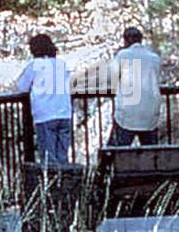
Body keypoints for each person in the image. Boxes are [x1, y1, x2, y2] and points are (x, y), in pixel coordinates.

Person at [75, 26, 163, 147]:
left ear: (125, 41)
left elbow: (111, 78)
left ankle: (106, 165)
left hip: (128, 112)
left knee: (115, 149)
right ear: (141, 40)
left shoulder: (123, 55)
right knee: (151, 151)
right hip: (150, 112)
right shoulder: (154, 58)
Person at [16, 33, 73, 163]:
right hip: (64, 112)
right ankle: (64, 181)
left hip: (46, 114)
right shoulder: (61, 64)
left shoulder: (35, 65)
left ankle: (51, 182)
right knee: (62, 155)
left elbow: (22, 86)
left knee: (49, 158)